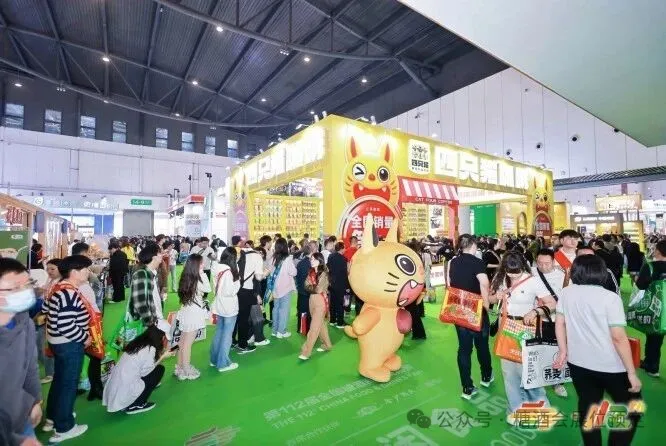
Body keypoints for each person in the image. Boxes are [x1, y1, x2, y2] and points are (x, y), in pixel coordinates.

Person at [554, 255, 643, 446]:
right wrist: (631, 373)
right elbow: (618, 337)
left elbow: (559, 323)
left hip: (578, 363)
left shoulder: (566, 293)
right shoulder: (610, 298)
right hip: (611, 365)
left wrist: (563, 351)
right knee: (632, 407)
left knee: (589, 405)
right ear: (602, 272)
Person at [489, 252, 553, 422]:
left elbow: (552, 303)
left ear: (522, 266)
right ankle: (514, 410)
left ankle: (541, 408)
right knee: (509, 373)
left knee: (529, 372)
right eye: (509, 272)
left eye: (516, 273)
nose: (513, 276)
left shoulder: (533, 281)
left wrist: (536, 311)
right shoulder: (500, 277)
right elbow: (490, 299)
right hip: (506, 327)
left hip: (526, 329)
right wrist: (496, 297)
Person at [43, 255, 92, 442]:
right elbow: (65, 325)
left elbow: (46, 309)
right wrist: (84, 337)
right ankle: (64, 427)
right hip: (68, 343)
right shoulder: (69, 293)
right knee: (68, 384)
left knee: (60, 380)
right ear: (75, 272)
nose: (88, 272)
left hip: (56, 341)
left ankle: (53, 416)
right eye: (86, 269)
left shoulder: (58, 287)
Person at [0, 258, 43, 445]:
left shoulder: (23, 320)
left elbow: (30, 366)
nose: (25, 292)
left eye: (27, 284)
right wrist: (17, 440)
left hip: (20, 414)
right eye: (15, 288)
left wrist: (35, 401)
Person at [447, 234, 493, 400]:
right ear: (473, 246)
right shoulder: (477, 262)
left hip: (459, 308)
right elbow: (485, 284)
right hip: (476, 308)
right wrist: (486, 305)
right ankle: (486, 376)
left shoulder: (453, 262)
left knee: (464, 349)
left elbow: (449, 283)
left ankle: (467, 387)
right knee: (482, 346)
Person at [102, 325, 172, 415]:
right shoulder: (150, 349)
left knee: (155, 369)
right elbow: (146, 372)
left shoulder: (139, 342)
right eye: (164, 337)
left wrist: (161, 354)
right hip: (125, 388)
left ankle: (130, 401)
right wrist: (162, 357)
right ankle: (136, 404)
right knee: (159, 370)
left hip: (115, 388)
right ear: (160, 337)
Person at [532, 248, 568, 398]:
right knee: (538, 350)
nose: (543, 266)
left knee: (558, 350)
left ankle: (557, 382)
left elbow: (567, 296)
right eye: (540, 263)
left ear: (553, 261)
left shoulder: (562, 276)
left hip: (557, 320)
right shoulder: (532, 273)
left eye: (547, 263)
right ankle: (538, 379)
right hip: (538, 320)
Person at [174, 254, 211, 380]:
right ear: (196, 265)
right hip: (193, 313)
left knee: (182, 341)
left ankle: (179, 367)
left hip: (186, 310)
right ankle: (186, 369)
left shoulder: (186, 276)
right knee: (187, 343)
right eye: (201, 263)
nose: (203, 265)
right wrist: (202, 273)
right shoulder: (197, 278)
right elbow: (208, 289)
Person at [637, 239, 666, 378]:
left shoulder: (650, 266)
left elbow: (641, 285)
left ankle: (652, 366)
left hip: (656, 307)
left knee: (654, 336)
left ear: (658, 251)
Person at [129, 242, 170, 335]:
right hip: (148, 325)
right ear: (154, 257)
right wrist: (151, 323)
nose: (162, 255)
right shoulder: (141, 274)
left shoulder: (151, 273)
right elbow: (140, 303)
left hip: (155, 320)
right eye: (159, 252)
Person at [210, 248, 241, 372]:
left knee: (219, 332)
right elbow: (230, 291)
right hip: (229, 307)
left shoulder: (216, 268)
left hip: (219, 305)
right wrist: (238, 281)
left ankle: (214, 359)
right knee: (227, 335)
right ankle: (223, 363)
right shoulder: (228, 272)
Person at [299, 252, 333, 360]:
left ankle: (306, 352)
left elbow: (318, 289)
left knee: (314, 327)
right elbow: (305, 285)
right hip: (312, 300)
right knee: (320, 324)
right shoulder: (312, 272)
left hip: (321, 301)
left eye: (314, 259)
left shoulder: (324, 273)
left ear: (319, 260)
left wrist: (311, 286)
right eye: (311, 259)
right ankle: (327, 345)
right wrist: (312, 287)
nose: (311, 261)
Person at [234, 240, 265, 354]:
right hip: (246, 290)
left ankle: (231, 341)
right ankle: (242, 345)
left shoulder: (239, 252)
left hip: (234, 288)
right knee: (244, 318)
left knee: (234, 317)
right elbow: (258, 277)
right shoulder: (257, 256)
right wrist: (265, 273)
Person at [269, 238, 297, 338]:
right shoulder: (287, 259)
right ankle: (281, 331)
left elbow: (270, 272)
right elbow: (293, 272)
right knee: (284, 310)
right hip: (285, 288)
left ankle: (275, 330)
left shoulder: (273, 258)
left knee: (276, 308)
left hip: (275, 288)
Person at [327, 241, 348, 328]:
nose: (345, 249)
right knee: (340, 303)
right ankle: (340, 322)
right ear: (341, 249)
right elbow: (345, 273)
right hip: (340, 284)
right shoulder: (343, 259)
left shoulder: (330, 256)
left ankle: (332, 320)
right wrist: (347, 286)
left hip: (332, 283)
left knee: (332, 302)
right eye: (344, 248)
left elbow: (328, 268)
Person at [295, 243, 313, 333]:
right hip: (308, 291)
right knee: (307, 311)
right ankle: (306, 329)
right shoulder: (310, 264)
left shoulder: (300, 263)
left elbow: (297, 277)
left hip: (301, 289)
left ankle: (301, 328)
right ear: (311, 252)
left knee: (301, 310)